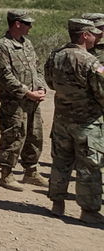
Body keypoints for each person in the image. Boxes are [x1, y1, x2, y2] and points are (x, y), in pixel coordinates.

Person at [44, 18, 104, 224]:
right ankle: (88, 211)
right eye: (94, 33)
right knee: (89, 166)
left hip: (61, 120)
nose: (98, 37)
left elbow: (50, 83)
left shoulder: (56, 56)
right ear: (84, 35)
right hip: (87, 124)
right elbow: (102, 92)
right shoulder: (89, 61)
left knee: (60, 162)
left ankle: (57, 204)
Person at [0, 10, 47, 190]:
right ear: (17, 24)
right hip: (14, 103)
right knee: (13, 135)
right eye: (27, 23)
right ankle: (6, 174)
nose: (30, 27)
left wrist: (40, 87)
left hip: (33, 101)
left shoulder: (27, 44)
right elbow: (5, 76)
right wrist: (26, 92)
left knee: (34, 135)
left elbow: (36, 68)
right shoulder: (2, 46)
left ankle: (30, 171)